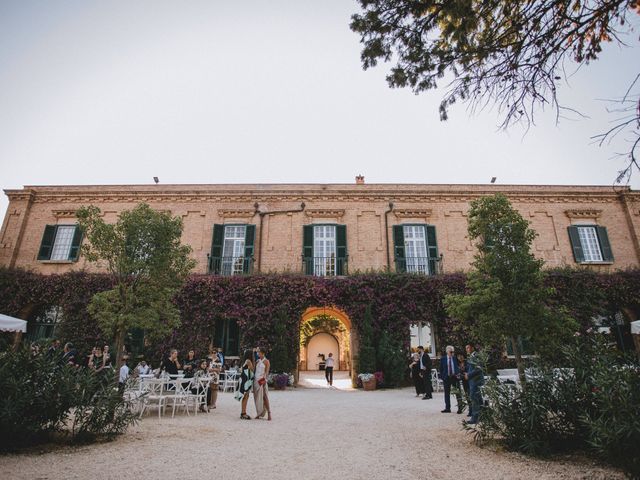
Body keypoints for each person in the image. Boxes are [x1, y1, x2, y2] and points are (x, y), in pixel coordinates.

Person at [464, 344, 485, 425]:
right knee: (478, 399)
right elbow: (471, 368)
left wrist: (468, 375)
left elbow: (478, 369)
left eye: (468, 347)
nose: (467, 349)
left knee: (474, 398)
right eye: (466, 348)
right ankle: (482, 416)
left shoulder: (477, 355)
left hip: (476, 381)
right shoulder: (470, 356)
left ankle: (474, 418)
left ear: (472, 348)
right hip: (472, 380)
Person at [439, 345, 463, 414]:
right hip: (446, 378)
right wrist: (442, 377)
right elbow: (441, 369)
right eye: (450, 351)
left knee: (458, 393)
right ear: (447, 351)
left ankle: (460, 408)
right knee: (446, 393)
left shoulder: (455, 358)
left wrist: (459, 374)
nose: (452, 352)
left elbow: (461, 366)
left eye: (453, 351)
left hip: (455, 377)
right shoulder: (443, 359)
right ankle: (447, 408)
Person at [253, 347, 272, 420]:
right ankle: (259, 413)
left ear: (263, 353)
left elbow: (266, 373)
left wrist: (263, 382)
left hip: (262, 381)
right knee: (257, 397)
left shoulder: (267, 361)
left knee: (264, 397)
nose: (257, 353)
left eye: (259, 352)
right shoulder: (257, 361)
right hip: (256, 381)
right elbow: (255, 371)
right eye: (257, 352)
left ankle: (269, 413)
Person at [239, 349, 254, 420]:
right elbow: (252, 369)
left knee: (245, 396)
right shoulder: (248, 361)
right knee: (246, 396)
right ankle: (243, 413)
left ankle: (243, 412)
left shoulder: (245, 361)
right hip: (246, 380)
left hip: (244, 378)